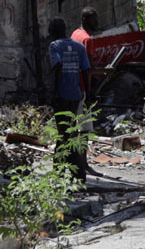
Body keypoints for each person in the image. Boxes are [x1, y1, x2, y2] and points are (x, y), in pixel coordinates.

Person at [47, 17, 91, 182]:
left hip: (62, 96)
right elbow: (85, 71)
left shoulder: (54, 46)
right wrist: (88, 94)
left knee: (65, 135)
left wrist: (54, 92)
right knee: (66, 133)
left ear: (53, 31)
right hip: (76, 95)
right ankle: (59, 173)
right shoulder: (79, 46)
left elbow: (58, 66)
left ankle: (78, 174)